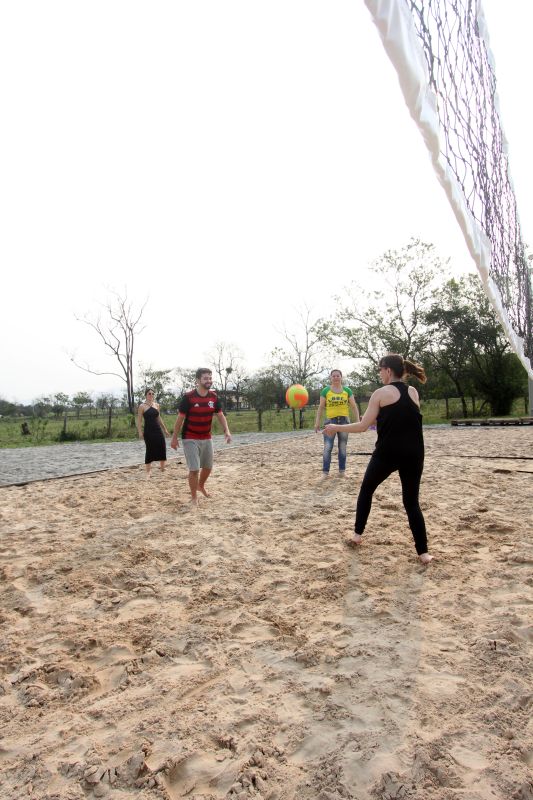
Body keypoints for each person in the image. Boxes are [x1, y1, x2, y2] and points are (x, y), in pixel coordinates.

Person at [324, 354, 433, 565]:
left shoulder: (380, 393)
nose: (379, 373)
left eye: (380, 370)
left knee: (366, 489)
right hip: (414, 453)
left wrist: (336, 427)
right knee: (411, 502)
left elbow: (362, 426)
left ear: (388, 371)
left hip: (388, 453)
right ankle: (424, 553)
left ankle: (357, 535)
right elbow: (404, 420)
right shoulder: (413, 392)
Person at [170, 368, 232, 506]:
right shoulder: (188, 397)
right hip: (190, 437)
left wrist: (226, 431)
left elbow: (220, 415)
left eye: (210, 378)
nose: (208, 381)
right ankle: (194, 498)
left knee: (208, 467)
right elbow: (180, 419)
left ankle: (200, 485)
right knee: (194, 469)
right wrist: (174, 437)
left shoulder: (214, 397)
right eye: (205, 378)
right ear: (198, 380)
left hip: (206, 437)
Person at [315, 369, 360, 477]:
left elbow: (353, 406)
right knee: (328, 447)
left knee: (342, 446)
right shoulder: (325, 391)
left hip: (344, 421)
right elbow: (321, 407)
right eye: (333, 376)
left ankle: (342, 471)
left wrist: (358, 420)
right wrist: (317, 422)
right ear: (330, 378)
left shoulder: (347, 390)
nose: (336, 377)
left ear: (341, 377)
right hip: (330, 421)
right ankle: (325, 472)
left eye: (338, 376)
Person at [137, 389, 170, 477]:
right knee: (149, 449)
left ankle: (162, 468)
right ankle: (148, 471)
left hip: (157, 430)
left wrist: (165, 429)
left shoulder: (157, 405)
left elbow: (159, 418)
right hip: (148, 431)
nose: (151, 395)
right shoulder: (142, 406)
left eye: (152, 394)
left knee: (162, 446)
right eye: (149, 393)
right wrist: (140, 432)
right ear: (146, 395)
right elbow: (139, 421)